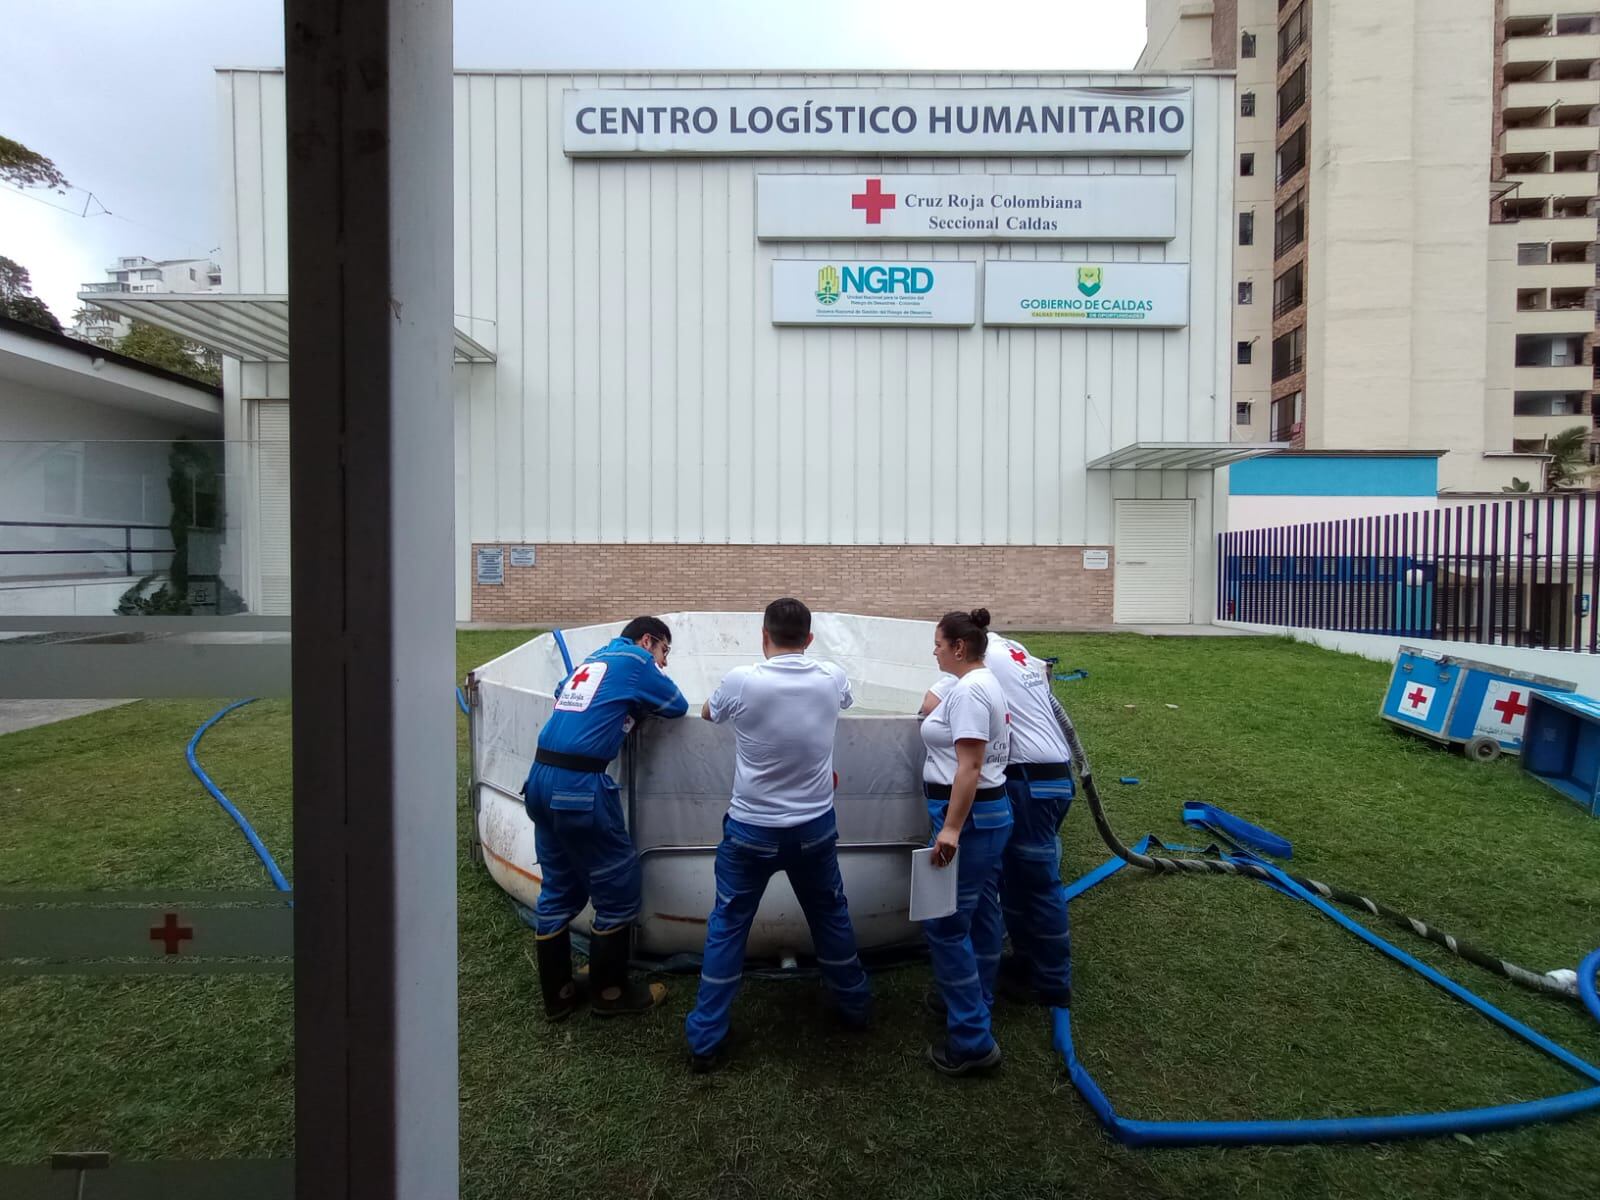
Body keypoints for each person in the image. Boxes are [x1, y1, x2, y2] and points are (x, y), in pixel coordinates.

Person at [684, 597, 872, 1073]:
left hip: (750, 829)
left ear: (762, 636)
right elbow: (846, 701)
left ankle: (705, 1039)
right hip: (813, 828)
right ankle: (855, 1008)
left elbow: (708, 713)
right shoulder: (830, 677)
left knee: (728, 925)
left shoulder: (742, 681)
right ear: (809, 640)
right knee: (831, 915)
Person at [522, 615, 688, 1021]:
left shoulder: (591, 660)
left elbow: (566, 695)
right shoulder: (636, 661)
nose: (663, 662)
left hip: (539, 780)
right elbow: (678, 705)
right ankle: (610, 993)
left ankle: (558, 996)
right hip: (579, 786)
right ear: (648, 640)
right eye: (664, 651)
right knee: (617, 885)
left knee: (558, 887)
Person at [917, 608, 1013, 1076]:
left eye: (938, 643)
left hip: (968, 818)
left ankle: (973, 1040)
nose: (933, 650)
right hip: (989, 814)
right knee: (982, 912)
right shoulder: (977, 683)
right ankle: (977, 998)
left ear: (958, 647)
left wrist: (951, 828)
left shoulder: (972, 692)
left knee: (945, 922)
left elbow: (969, 767)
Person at [983, 631, 1076, 1009]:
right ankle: (1025, 963)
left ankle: (1052, 982)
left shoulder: (981, 658)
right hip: (1054, 774)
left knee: (1038, 883)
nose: (936, 652)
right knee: (1017, 877)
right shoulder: (1013, 648)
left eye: (940, 645)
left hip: (1030, 780)